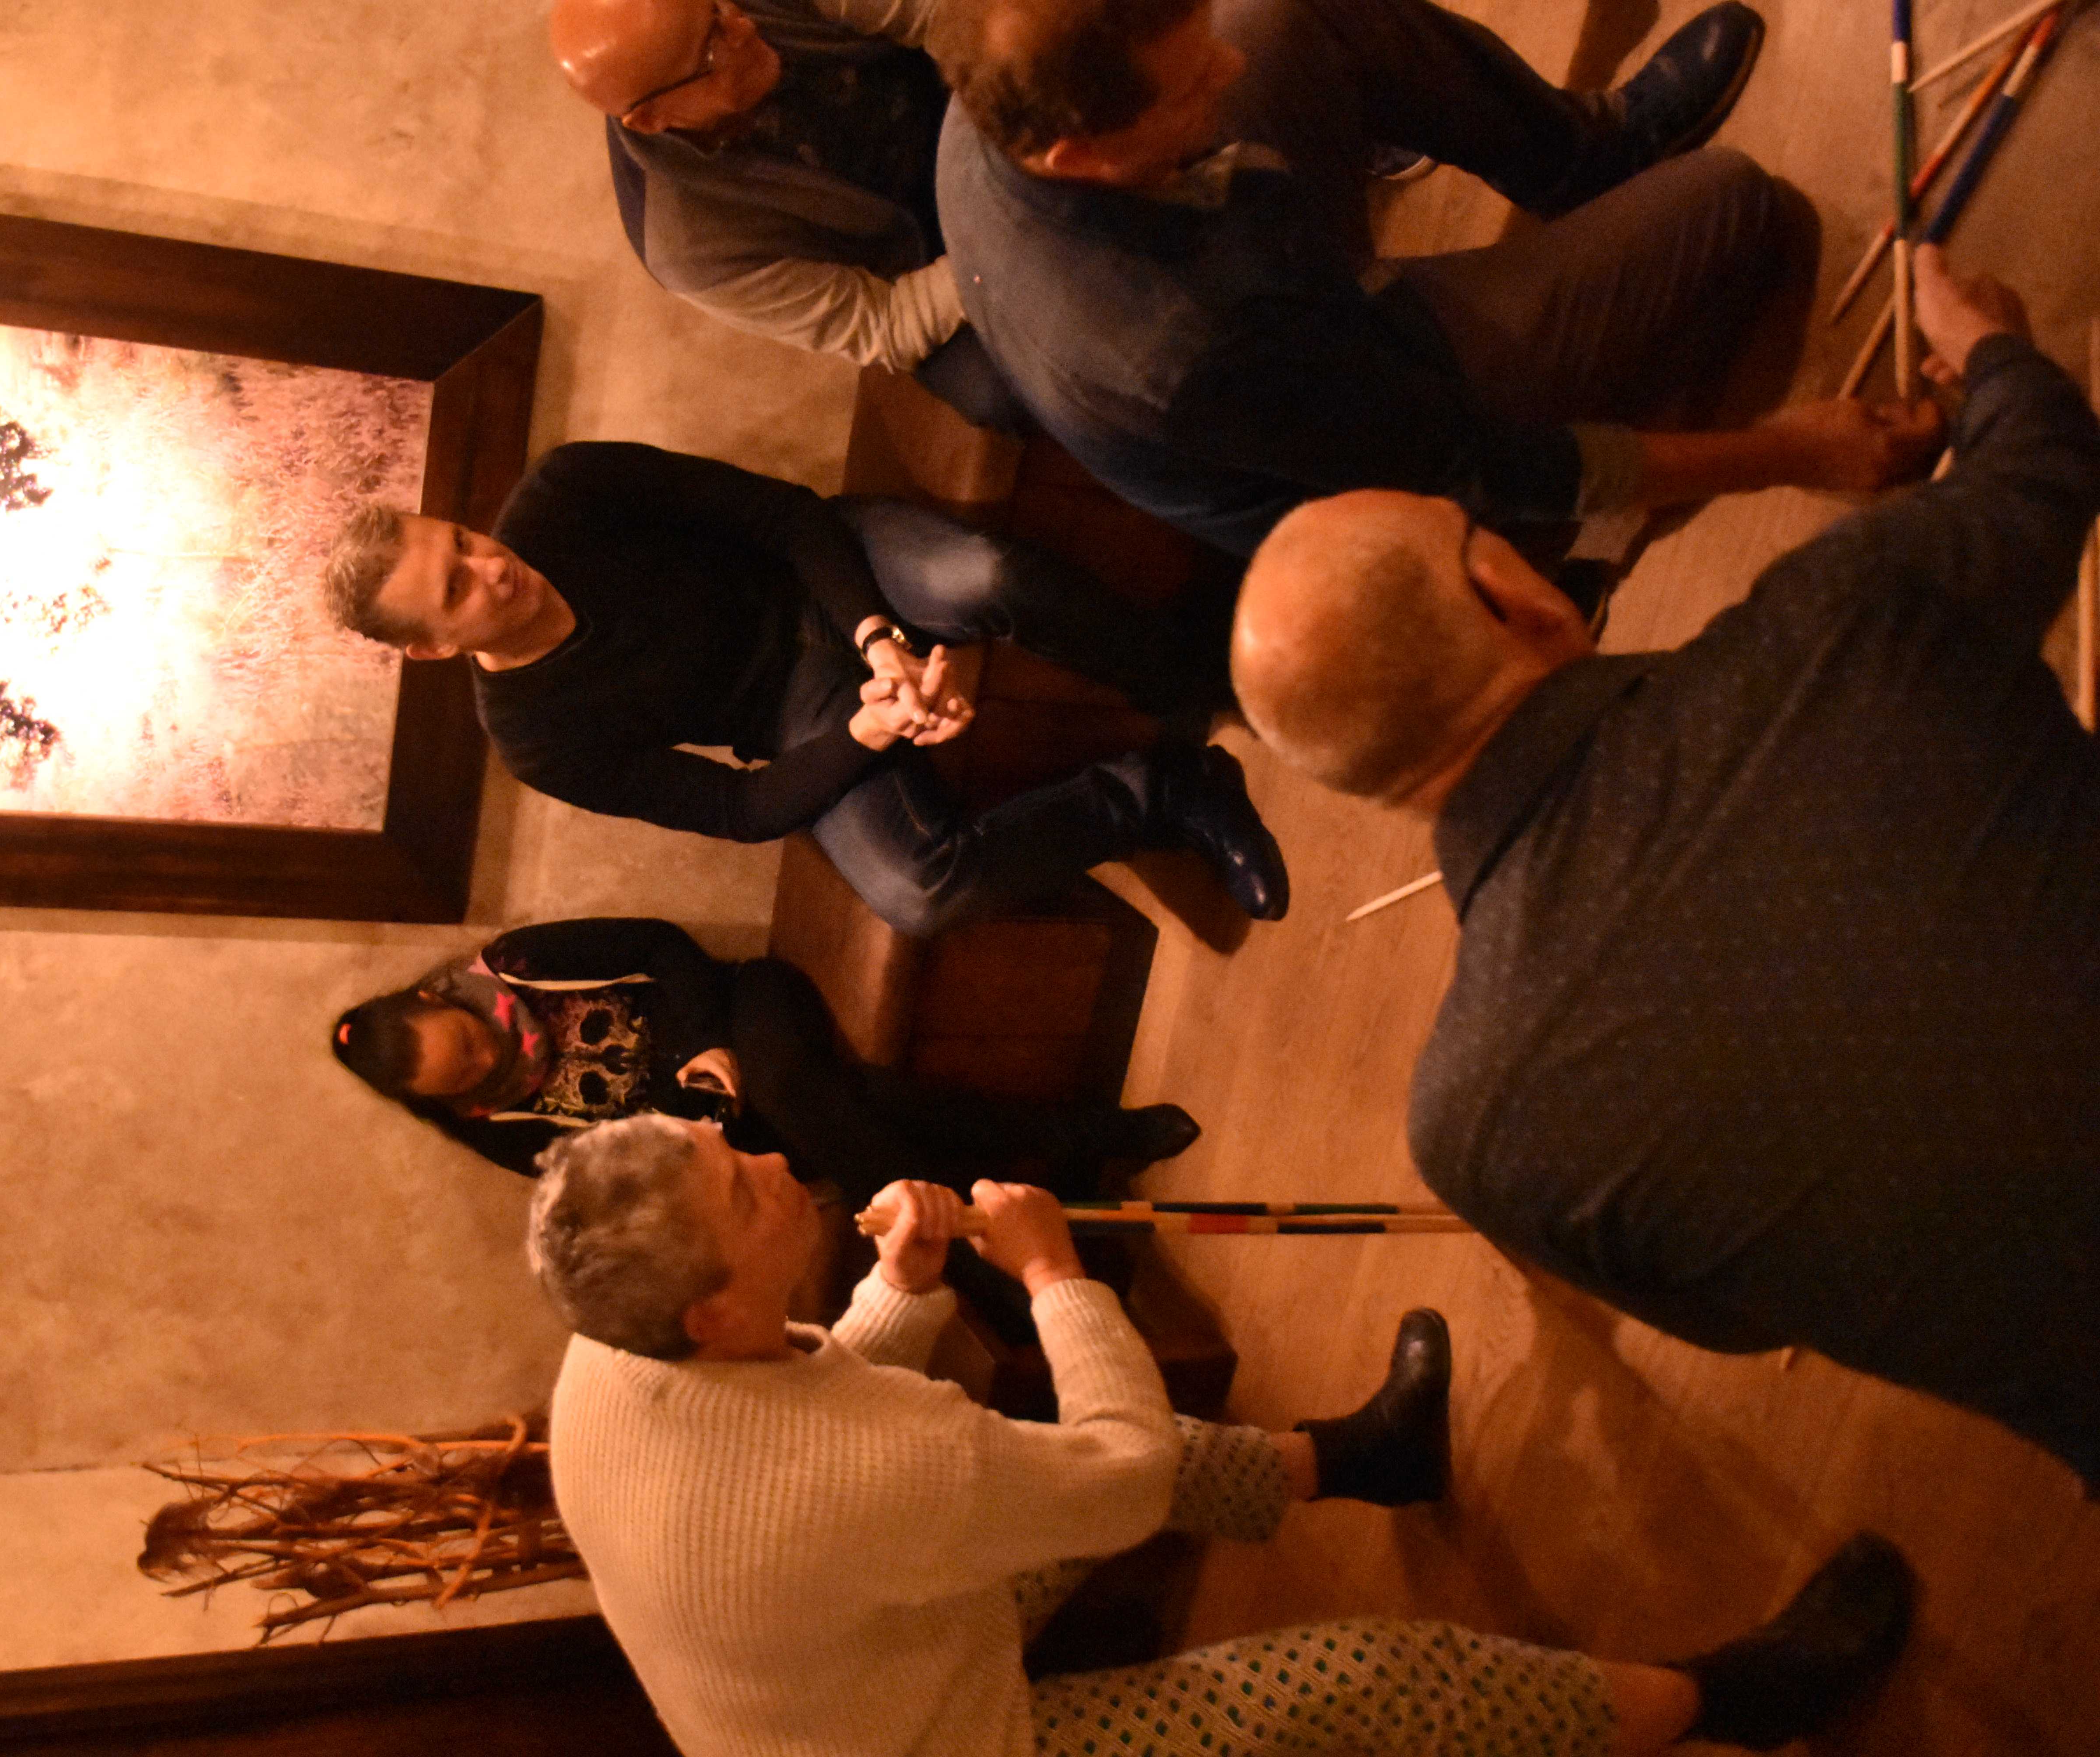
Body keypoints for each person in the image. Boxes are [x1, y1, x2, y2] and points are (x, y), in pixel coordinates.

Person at [1229, 246, 2100, 1490]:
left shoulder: (1475, 1131)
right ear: (1515, 594)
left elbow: (1739, 1318)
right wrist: (1993, 347)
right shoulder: (1836, 620)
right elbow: (2047, 462)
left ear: (1367, 784)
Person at [532, 1112, 1917, 1754]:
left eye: (720, 1139)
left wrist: (898, 1287)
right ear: (713, 1311)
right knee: (1356, 1680)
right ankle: (1725, 1704)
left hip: (857, 1650)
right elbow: (1123, 1476)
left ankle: (1364, 1459)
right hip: (941, 1741)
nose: (772, 1158)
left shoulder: (616, 1347)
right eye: (743, 1187)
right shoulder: (867, 1469)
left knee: (1066, 1460)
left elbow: (812, 1394)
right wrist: (1052, 1272)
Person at [929, 0, 1945, 589]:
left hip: (1273, 284)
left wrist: (1209, 105)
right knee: (1732, 202)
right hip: (1365, 433)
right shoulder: (1187, 351)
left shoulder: (997, 103)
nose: (1225, 71)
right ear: (1078, 154)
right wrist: (1791, 453)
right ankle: (1527, 555)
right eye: (1193, 86)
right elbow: (1467, 462)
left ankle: (1586, 155)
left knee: (1287, 16)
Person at [321, 440, 1288, 936]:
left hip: (827, 571)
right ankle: (1164, 792)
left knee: (981, 577)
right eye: (456, 589)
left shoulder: (565, 492)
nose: (492, 566)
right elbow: (738, 808)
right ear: (432, 649)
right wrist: (870, 730)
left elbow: (785, 516)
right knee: (913, 891)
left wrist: (876, 635)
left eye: (461, 540)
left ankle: (1191, 669)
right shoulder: (535, 739)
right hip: (797, 710)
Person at [331, 914, 1199, 1193]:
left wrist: (700, 1043)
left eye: (468, 1040)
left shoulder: (517, 961)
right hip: (727, 1132)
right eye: (464, 1074)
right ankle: (1084, 1139)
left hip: (744, 1010)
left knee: (789, 1085)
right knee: (851, 1106)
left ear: (436, 999)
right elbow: (604, 1175)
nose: (484, 1058)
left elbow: (664, 946)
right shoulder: (491, 1125)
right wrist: (687, 1127)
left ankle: (981, 1236)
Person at [550, 0, 1025, 426]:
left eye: (718, 9)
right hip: (921, 258)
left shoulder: (738, 18)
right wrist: (1001, 246)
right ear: (653, 119)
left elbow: (937, 13)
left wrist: (1017, 108)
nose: (744, 27)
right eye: (712, 49)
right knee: (993, 390)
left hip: (955, 93)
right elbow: (884, 322)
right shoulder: (685, 248)